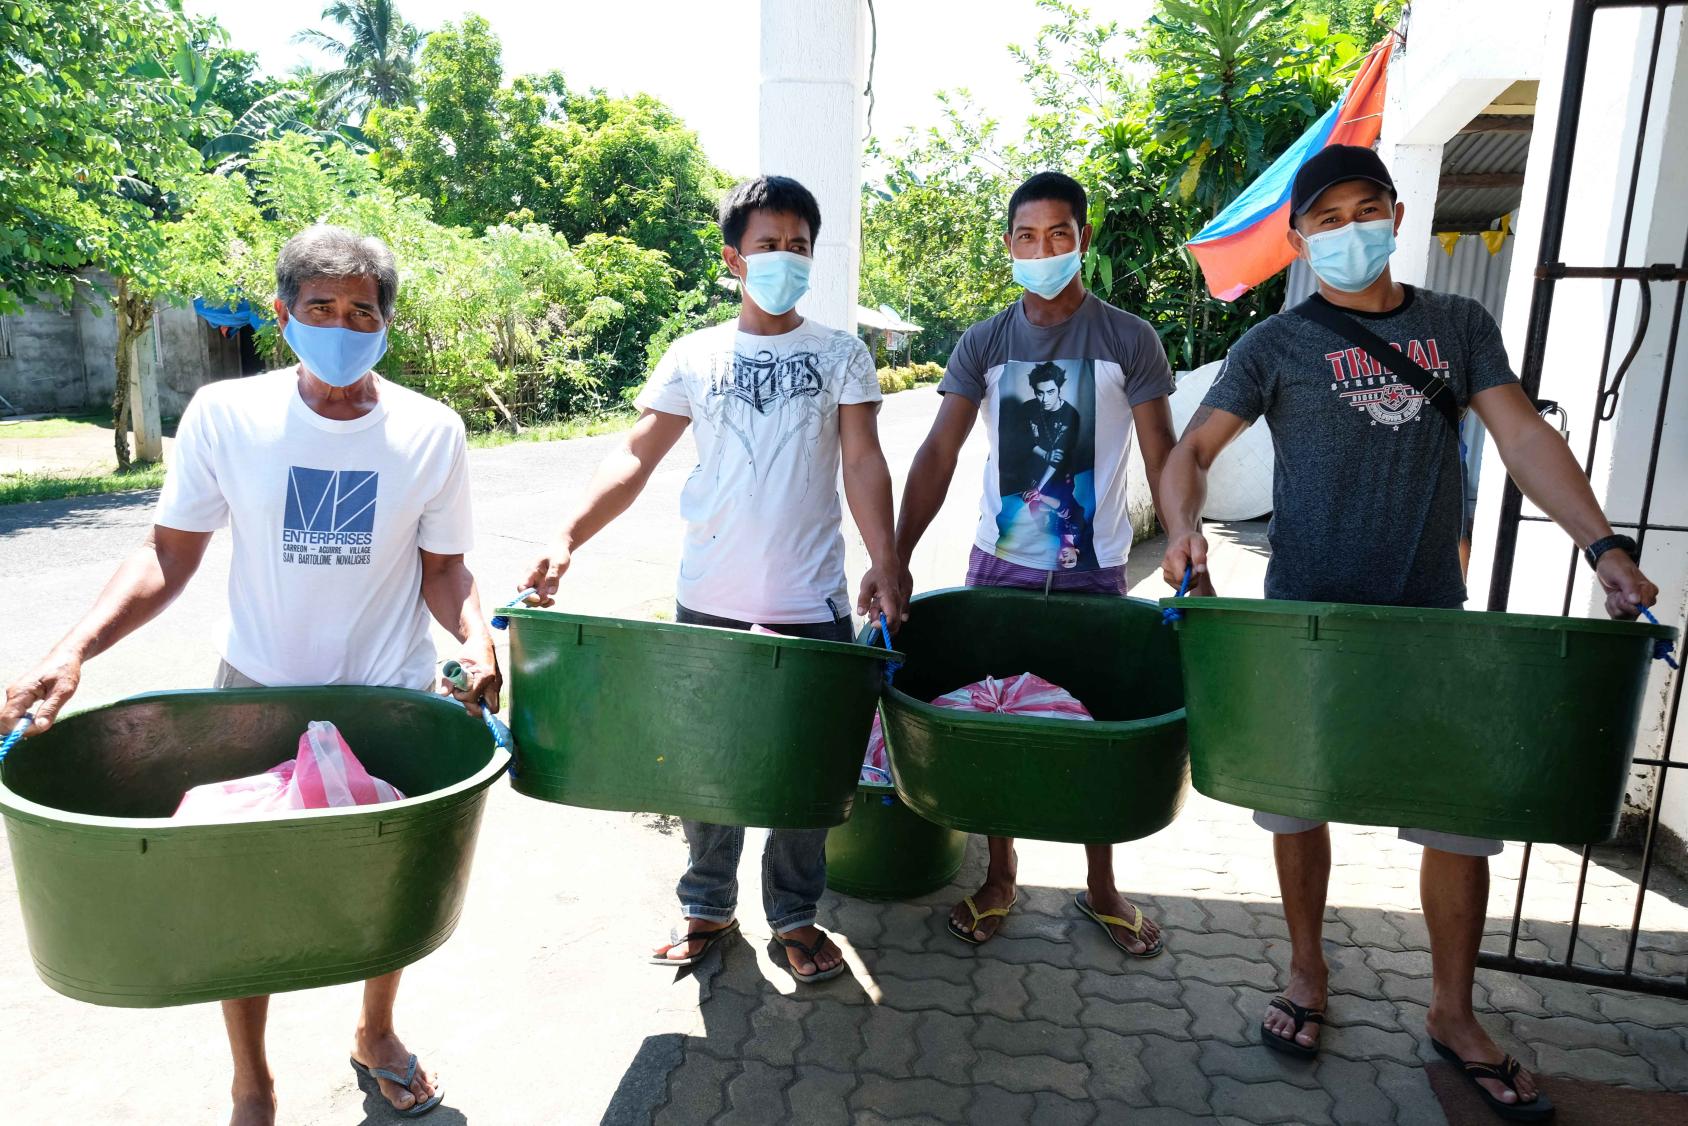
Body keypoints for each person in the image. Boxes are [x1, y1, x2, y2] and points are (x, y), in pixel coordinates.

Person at [1159, 145, 1659, 1120]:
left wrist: (1601, 544)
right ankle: (1306, 972)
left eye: (1364, 209)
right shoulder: (1275, 344)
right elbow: (1192, 449)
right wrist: (1181, 530)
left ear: (1393, 212)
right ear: (1298, 237)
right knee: (1293, 806)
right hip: (1306, 620)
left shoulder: (1454, 326)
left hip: (1430, 616)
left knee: (1455, 817)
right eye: (1326, 218)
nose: (1348, 231)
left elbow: (1519, 435)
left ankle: (1451, 1012)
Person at [1, 225, 500, 1125]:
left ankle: (375, 1032)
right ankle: (252, 1081)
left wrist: (475, 635)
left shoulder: (431, 431)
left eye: (362, 310)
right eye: (322, 307)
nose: (342, 325)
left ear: (387, 322)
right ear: (284, 314)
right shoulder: (228, 417)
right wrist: (71, 648)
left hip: (389, 697)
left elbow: (444, 570)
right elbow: (167, 557)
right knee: (244, 897)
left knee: (383, 882)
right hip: (255, 695)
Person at [517, 175, 904, 984]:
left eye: (799, 246)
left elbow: (864, 461)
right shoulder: (695, 355)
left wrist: (886, 556)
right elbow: (634, 457)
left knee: (806, 773)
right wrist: (565, 538)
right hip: (710, 601)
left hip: (813, 604)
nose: (785, 259)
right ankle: (707, 905)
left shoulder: (841, 353)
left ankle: (796, 915)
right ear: (734, 258)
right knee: (706, 766)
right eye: (768, 246)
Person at [893, 171, 1178, 958]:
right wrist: (896, 557)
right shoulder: (985, 343)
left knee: (1097, 727)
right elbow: (939, 451)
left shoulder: (1129, 339)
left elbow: (1164, 453)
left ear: (1083, 240)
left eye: (1060, 234)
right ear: (1010, 244)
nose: (1043, 248)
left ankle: (1101, 886)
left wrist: (1186, 540)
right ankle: (1000, 875)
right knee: (999, 731)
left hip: (1096, 573)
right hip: (1000, 571)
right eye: (1027, 235)